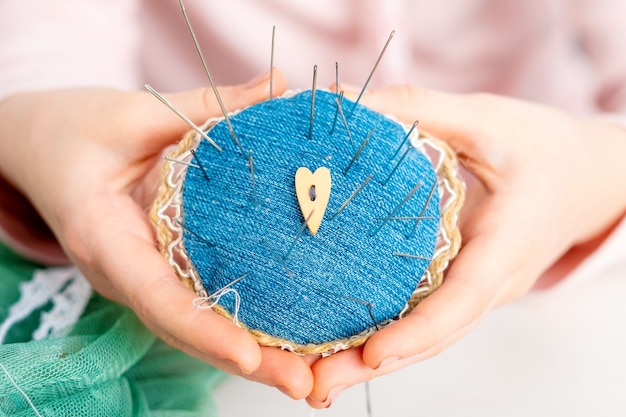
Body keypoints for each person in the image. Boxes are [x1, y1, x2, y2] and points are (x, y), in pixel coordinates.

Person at [1, 0, 625, 414]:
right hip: (153, 193)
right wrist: (34, 125)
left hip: (543, 257)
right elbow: (43, 40)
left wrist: (589, 170)